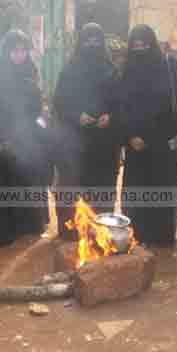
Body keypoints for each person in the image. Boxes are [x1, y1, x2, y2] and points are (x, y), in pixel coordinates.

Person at [119, 24, 177, 247]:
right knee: (137, 192)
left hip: (164, 143)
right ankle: (135, 235)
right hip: (136, 144)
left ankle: (161, 236)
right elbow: (120, 106)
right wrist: (129, 136)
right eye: (135, 45)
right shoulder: (126, 69)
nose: (140, 49)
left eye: (144, 45)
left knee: (163, 189)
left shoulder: (169, 66)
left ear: (153, 44)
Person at [53, 23, 120, 236]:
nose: (92, 45)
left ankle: (99, 233)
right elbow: (59, 102)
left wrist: (110, 116)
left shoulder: (111, 71)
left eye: (96, 41)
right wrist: (76, 115)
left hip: (103, 145)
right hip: (75, 143)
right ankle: (72, 233)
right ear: (81, 43)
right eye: (88, 40)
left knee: (101, 190)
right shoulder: (69, 70)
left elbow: (121, 103)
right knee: (73, 188)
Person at [0, 30, 50, 245]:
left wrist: (42, 118)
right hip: (6, 137)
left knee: (30, 180)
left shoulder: (31, 71)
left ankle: (33, 224)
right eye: (15, 50)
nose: (19, 55)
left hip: (29, 136)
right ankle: (14, 228)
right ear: (7, 52)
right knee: (11, 181)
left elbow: (38, 106)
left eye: (23, 50)